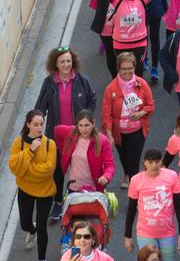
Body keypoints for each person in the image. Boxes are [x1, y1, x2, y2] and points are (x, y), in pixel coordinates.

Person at [35, 46, 96, 221]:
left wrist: (87, 120)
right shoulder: (49, 83)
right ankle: (58, 203)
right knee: (58, 170)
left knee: (81, 167)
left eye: (68, 61)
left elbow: (92, 99)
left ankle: (83, 199)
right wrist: (35, 130)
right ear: (55, 63)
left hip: (80, 134)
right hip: (57, 137)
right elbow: (40, 107)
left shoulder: (82, 80)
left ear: (73, 61)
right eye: (62, 61)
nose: (66, 64)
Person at [9, 109, 56, 261]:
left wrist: (26, 170)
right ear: (28, 124)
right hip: (25, 190)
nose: (39, 128)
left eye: (41, 124)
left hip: (45, 192)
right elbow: (14, 168)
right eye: (35, 124)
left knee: (43, 226)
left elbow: (48, 170)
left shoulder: (50, 144)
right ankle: (31, 230)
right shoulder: (18, 143)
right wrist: (30, 151)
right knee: (25, 224)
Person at [125, 148, 180, 261]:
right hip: (145, 233)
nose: (154, 165)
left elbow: (178, 207)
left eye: (157, 161)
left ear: (161, 162)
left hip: (167, 233)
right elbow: (131, 209)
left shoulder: (171, 176)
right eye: (150, 162)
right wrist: (128, 236)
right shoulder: (136, 180)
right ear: (145, 163)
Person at [101, 53, 155, 188]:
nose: (127, 71)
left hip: (137, 130)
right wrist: (108, 134)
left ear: (135, 68)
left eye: (130, 68)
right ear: (118, 69)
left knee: (134, 160)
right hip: (118, 132)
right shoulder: (110, 88)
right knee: (124, 158)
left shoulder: (142, 84)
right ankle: (126, 172)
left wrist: (141, 113)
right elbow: (106, 113)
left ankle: (135, 189)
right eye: (124, 68)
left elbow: (150, 105)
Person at [55, 110, 115, 193]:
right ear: (77, 125)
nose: (83, 129)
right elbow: (57, 130)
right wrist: (64, 150)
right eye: (80, 125)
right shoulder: (71, 132)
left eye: (87, 125)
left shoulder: (103, 141)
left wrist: (106, 176)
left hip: (94, 189)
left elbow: (110, 165)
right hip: (73, 188)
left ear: (93, 124)